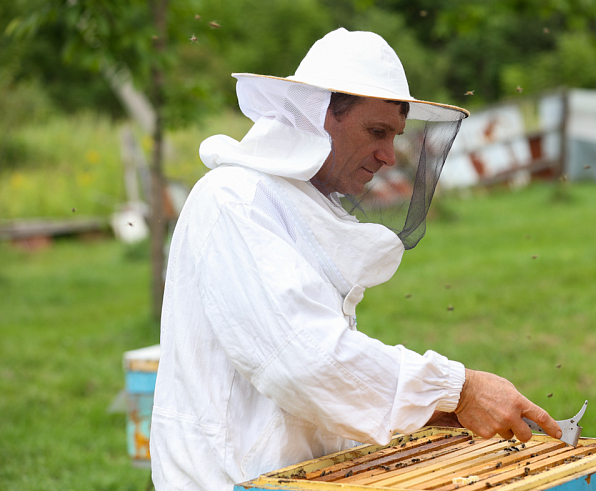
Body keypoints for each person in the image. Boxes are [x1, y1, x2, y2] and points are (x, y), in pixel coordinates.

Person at [150, 28, 561, 491]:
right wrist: (457, 388)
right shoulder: (236, 202)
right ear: (316, 114)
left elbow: (320, 380)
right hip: (228, 479)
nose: (389, 155)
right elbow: (305, 361)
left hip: (295, 475)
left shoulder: (298, 204)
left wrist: (439, 410)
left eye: (395, 136)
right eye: (376, 131)